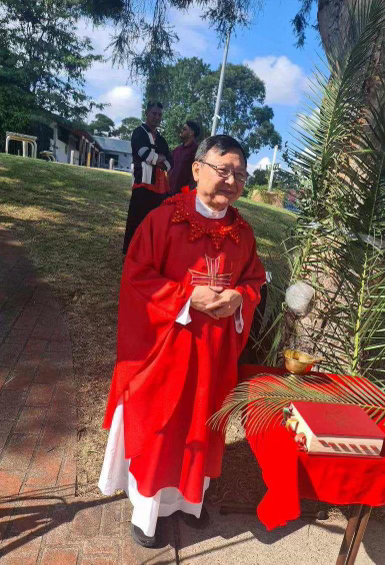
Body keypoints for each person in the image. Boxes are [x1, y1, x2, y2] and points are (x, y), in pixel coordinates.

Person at [98, 135, 265, 548]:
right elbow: (137, 278)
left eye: (240, 174)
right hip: (166, 351)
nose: (231, 180)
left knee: (202, 425)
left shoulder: (242, 232)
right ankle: (147, 511)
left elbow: (254, 280)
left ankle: (190, 502)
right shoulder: (162, 220)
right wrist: (188, 296)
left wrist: (239, 298)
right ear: (196, 169)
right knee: (163, 427)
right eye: (223, 170)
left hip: (212, 356)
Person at [122, 101, 173, 256]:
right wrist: (159, 158)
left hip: (160, 189)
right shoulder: (138, 133)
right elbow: (145, 155)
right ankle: (129, 254)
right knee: (136, 221)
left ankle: (147, 254)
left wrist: (159, 159)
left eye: (160, 115)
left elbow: (170, 163)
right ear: (147, 114)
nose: (157, 117)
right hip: (142, 185)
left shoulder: (162, 139)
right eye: (154, 114)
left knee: (155, 223)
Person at [168, 120, 200, 195]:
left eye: (184, 129)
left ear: (191, 133)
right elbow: (169, 168)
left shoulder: (197, 150)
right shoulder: (177, 150)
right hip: (169, 193)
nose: (181, 131)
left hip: (184, 195)